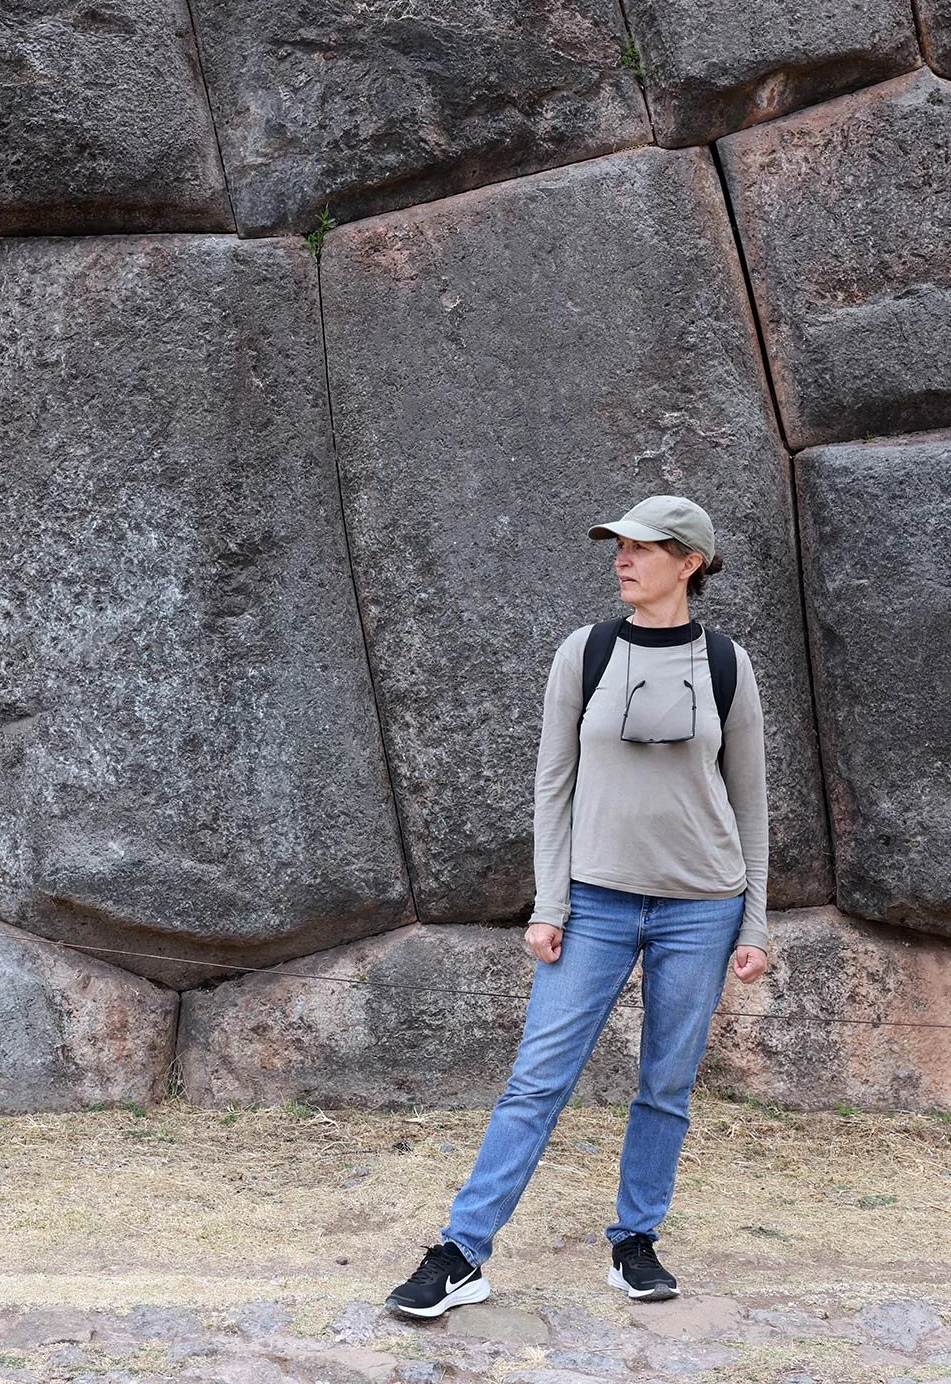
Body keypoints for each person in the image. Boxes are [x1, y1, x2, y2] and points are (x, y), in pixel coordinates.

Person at [386, 494, 771, 1315]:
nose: (622, 558)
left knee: (666, 1085)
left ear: (689, 563)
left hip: (703, 907)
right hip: (595, 903)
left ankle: (635, 1243)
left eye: (642, 547)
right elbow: (551, 787)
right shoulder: (585, 652)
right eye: (618, 546)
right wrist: (549, 905)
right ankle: (461, 1252)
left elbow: (751, 804)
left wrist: (756, 923)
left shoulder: (728, 664)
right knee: (537, 1081)